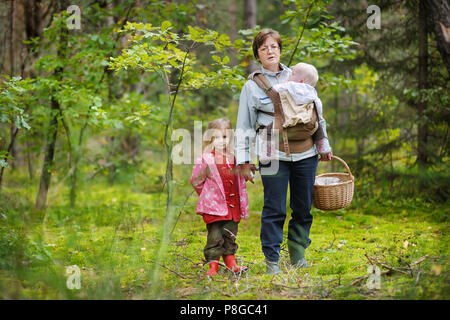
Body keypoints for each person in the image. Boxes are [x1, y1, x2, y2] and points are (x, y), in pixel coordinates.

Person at [234, 29, 333, 275]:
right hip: (271, 154)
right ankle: (272, 260)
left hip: (305, 153)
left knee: (303, 206)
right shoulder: (252, 86)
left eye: (274, 47)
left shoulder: (299, 75)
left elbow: (317, 113)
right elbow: (244, 126)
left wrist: (324, 145)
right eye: (264, 48)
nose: (270, 51)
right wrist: (244, 161)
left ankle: (298, 252)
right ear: (257, 54)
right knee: (274, 207)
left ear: (280, 50)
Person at [190, 118, 250, 276]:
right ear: (209, 138)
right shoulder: (205, 159)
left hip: (233, 205)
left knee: (230, 234)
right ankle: (213, 267)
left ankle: (232, 264)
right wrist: (207, 195)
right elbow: (196, 180)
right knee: (215, 236)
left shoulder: (235, 158)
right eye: (216, 137)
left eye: (224, 137)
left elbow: (239, 178)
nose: (221, 141)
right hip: (213, 207)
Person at [273, 62, 332, 156]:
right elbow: (319, 119)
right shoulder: (313, 96)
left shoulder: (289, 86)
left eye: (293, 74)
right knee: (320, 121)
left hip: (283, 134)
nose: (289, 75)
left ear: (301, 81)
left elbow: (273, 90)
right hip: (306, 142)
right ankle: (323, 146)